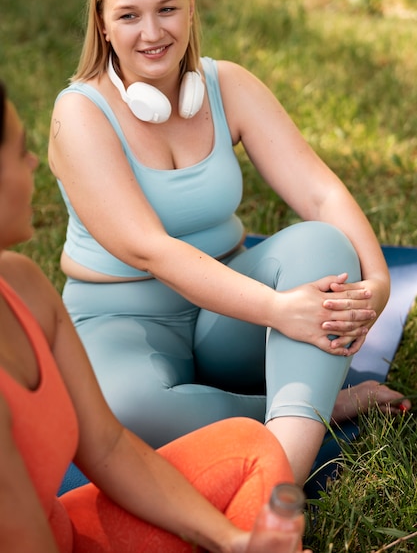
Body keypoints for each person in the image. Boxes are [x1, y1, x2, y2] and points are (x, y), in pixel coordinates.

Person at [48, 0, 409, 487]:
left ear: (191, 6)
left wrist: (378, 281)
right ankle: (317, 408)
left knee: (325, 246)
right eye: (129, 15)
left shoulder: (227, 85)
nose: (152, 32)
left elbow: (319, 193)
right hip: (122, 320)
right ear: (102, 24)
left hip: (228, 312)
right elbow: (152, 249)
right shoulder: (79, 114)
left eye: (167, 9)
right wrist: (277, 309)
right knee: (124, 412)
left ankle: (275, 485)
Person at [0, 79, 318, 553]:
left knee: (251, 449)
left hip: (67, 532)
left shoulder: (23, 284)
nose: (33, 163)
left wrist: (231, 540)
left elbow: (108, 447)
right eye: (20, 150)